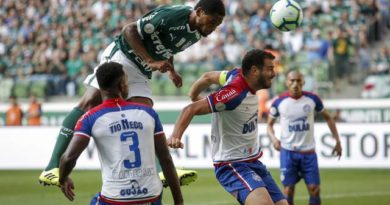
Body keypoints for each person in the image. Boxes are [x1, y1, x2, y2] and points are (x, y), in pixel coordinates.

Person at [39, 0, 225, 186]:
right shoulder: (173, 16)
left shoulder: (197, 33)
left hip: (141, 69)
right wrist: (150, 60)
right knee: (89, 103)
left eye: (217, 25)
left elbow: (168, 46)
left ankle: (161, 171)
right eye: (212, 21)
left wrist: (171, 70)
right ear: (199, 12)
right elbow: (129, 30)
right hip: (123, 55)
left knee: (144, 115)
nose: (213, 27)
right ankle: (51, 167)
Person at [170, 49, 288, 205]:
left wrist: (193, 94)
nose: (274, 73)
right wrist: (175, 136)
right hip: (232, 164)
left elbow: (207, 77)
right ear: (254, 70)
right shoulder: (233, 93)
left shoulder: (235, 74)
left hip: (254, 162)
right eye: (270, 69)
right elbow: (190, 109)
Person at [59, 62, 183, 205]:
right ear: (122, 85)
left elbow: (68, 158)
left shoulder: (90, 118)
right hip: (151, 197)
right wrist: (179, 202)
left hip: (115, 199)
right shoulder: (148, 113)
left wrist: (63, 178)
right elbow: (165, 159)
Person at [266, 70, 343, 205]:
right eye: (292, 81)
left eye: (298, 81)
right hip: (288, 152)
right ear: (287, 82)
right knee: (288, 190)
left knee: (315, 189)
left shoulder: (313, 99)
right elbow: (269, 125)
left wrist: (337, 141)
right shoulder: (279, 102)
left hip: (308, 153)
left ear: (303, 82)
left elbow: (329, 118)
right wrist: (274, 139)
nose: (295, 84)